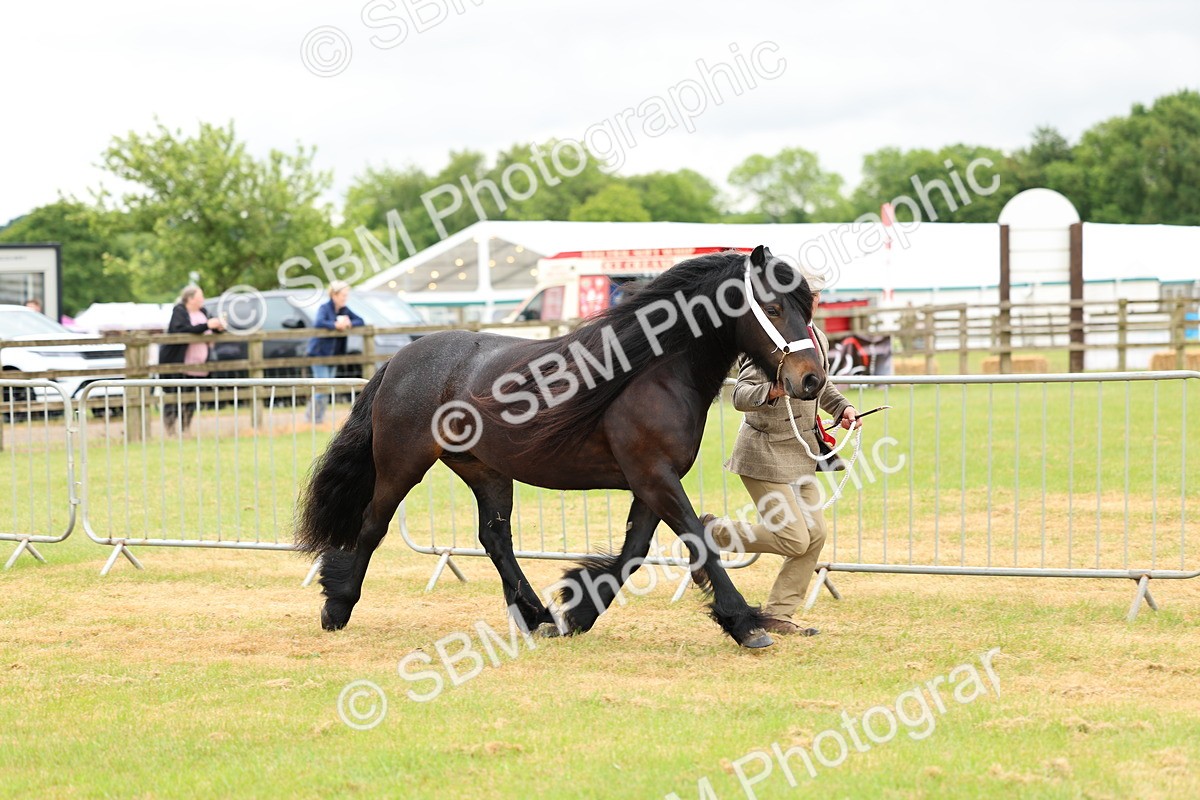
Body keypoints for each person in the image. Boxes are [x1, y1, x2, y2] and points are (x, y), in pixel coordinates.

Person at [701, 270, 861, 637]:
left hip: (801, 454)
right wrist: (772, 391)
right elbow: (739, 396)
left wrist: (842, 410)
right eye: (807, 297)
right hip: (763, 454)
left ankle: (778, 613)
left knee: (815, 535)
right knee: (794, 538)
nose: (813, 304)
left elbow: (821, 385)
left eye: (816, 296)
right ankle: (712, 534)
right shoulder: (768, 341)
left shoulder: (814, 337)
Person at [159, 285, 224, 434]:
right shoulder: (179, 311)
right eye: (200, 297)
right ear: (190, 298)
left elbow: (206, 328)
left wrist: (217, 327)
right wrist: (206, 325)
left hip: (199, 365)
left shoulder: (203, 311)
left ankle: (186, 429)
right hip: (179, 363)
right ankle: (170, 430)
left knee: (191, 398)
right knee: (174, 397)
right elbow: (181, 329)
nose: (203, 300)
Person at [306, 281, 364, 423]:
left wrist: (349, 323)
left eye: (346, 295)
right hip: (320, 354)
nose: (345, 298)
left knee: (328, 388)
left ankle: (318, 419)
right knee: (322, 389)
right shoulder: (324, 308)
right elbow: (319, 322)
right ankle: (311, 418)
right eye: (343, 295)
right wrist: (335, 325)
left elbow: (361, 320)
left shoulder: (345, 310)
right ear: (334, 295)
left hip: (334, 355)